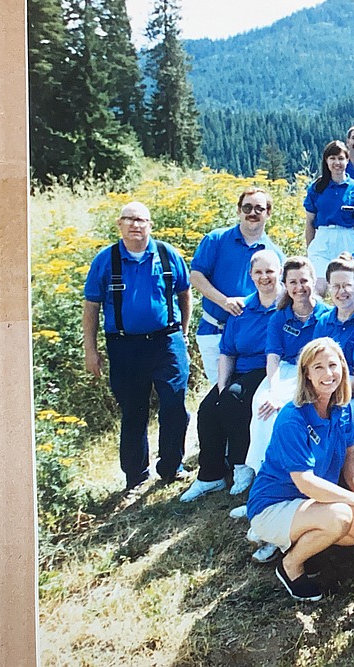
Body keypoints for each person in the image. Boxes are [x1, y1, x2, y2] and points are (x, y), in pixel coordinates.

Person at [246, 338, 354, 602]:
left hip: (311, 503)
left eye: (333, 365)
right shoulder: (292, 417)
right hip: (273, 505)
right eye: (318, 367)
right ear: (306, 373)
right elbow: (305, 482)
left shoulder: (341, 411)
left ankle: (311, 545)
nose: (328, 373)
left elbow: (349, 460)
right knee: (341, 517)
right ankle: (290, 566)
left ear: (343, 368)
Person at [83, 202, 192, 489]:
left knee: (174, 405)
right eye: (129, 220)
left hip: (167, 342)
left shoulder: (167, 255)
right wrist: (90, 350)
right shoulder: (106, 260)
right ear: (119, 224)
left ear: (150, 225)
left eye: (141, 220)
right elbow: (92, 306)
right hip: (124, 346)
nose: (135, 225)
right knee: (133, 412)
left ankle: (171, 467)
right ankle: (136, 478)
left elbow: (184, 292)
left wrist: (183, 332)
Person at [181, 250, 281, 503]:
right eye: (258, 272)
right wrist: (221, 386)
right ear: (250, 275)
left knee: (233, 402)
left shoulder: (287, 305)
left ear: (279, 272)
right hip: (241, 370)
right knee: (208, 408)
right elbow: (227, 353)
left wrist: (228, 393)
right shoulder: (242, 309)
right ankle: (210, 475)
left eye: (270, 271)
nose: (264, 277)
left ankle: (242, 465)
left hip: (270, 369)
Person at [246, 257, 334, 474]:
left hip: (314, 373)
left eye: (304, 281)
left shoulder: (326, 315)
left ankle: (295, 471)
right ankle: (263, 473)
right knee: (263, 404)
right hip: (284, 371)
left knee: (289, 409)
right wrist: (273, 391)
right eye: (292, 282)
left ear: (314, 281)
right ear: (285, 285)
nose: (299, 287)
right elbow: (273, 357)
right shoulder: (279, 317)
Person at [190, 187, 284, 385]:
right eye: (247, 207)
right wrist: (224, 302)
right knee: (220, 393)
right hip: (214, 330)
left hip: (251, 341)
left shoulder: (274, 254)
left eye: (259, 208)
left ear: (268, 213)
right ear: (238, 210)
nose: (252, 213)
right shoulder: (216, 240)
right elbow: (196, 276)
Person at [304, 140, 354, 294]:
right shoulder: (317, 187)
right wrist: (310, 247)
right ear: (326, 161)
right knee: (318, 288)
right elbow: (310, 222)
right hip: (322, 237)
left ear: (347, 160)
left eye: (341, 158)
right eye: (332, 158)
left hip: (346, 239)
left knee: (344, 288)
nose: (337, 163)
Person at [313, 253, 354, 423]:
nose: (341, 291)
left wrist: (336, 395)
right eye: (335, 286)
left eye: (347, 285)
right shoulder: (324, 321)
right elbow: (314, 363)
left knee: (342, 418)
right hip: (326, 386)